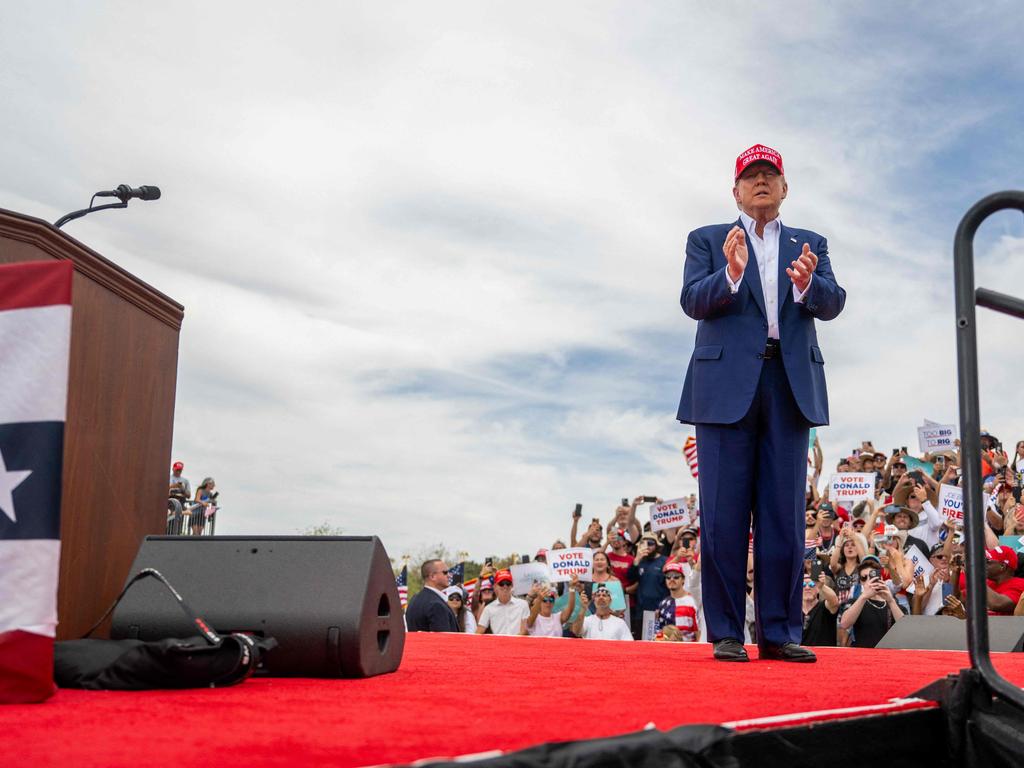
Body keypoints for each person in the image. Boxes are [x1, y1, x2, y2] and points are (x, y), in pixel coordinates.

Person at [676, 143, 846, 663]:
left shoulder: (808, 243)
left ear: (785, 186)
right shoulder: (707, 239)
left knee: (784, 516)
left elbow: (834, 302)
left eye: (770, 174)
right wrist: (729, 275)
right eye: (751, 176)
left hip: (789, 384)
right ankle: (727, 631)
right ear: (736, 190)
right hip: (724, 387)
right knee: (724, 515)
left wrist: (806, 285)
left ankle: (779, 632)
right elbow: (692, 301)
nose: (761, 182)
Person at [839, 560, 904, 648]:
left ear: (880, 577)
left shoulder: (892, 601)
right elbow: (844, 624)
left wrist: (891, 601)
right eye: (864, 578)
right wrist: (863, 596)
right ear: (861, 582)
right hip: (861, 656)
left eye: (872, 575)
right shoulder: (856, 601)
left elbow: (904, 628)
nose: (868, 580)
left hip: (886, 655)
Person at [405, 559, 459, 632]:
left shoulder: (414, 600)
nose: (449, 575)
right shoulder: (436, 605)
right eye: (445, 572)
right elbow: (443, 640)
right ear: (432, 576)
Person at [476, 569, 529, 636]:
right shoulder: (488, 608)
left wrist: (511, 643)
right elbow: (479, 632)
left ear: (512, 585)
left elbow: (524, 631)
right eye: (501, 583)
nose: (505, 586)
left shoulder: (523, 604)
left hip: (517, 643)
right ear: (495, 586)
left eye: (508, 583)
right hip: (498, 644)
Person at [655, 562, 700, 641]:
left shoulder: (693, 602)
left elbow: (699, 632)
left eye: (676, 576)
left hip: (689, 650)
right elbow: (659, 633)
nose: (672, 579)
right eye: (668, 577)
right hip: (668, 650)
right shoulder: (663, 603)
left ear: (683, 579)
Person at [800, 572, 838, 647]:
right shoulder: (792, 610)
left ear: (817, 589)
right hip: (799, 655)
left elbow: (834, 601)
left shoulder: (825, 607)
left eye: (812, 585)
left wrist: (822, 586)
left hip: (824, 656)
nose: (807, 588)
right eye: (803, 585)